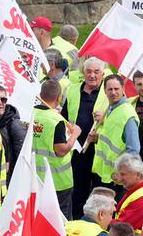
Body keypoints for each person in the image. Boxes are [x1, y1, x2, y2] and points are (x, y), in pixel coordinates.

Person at [65, 58, 108, 218]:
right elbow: (65, 116)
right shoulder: (72, 90)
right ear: (83, 73)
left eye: (96, 72)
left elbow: (119, 118)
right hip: (77, 149)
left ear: (103, 73)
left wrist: (104, 118)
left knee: (99, 194)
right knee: (78, 191)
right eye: (89, 71)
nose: (92, 75)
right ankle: (78, 223)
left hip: (99, 151)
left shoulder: (109, 91)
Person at [35, 79, 83, 218]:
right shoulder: (56, 120)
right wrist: (75, 134)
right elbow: (61, 150)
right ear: (59, 97)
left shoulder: (32, 115)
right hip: (58, 181)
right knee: (61, 221)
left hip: (36, 178)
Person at [90, 75, 139, 186]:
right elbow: (113, 138)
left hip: (117, 179)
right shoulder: (111, 109)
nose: (113, 92)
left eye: (116, 89)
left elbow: (133, 150)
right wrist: (97, 138)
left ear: (123, 89)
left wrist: (122, 174)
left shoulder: (127, 114)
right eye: (110, 89)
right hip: (105, 174)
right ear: (105, 91)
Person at [0, 84, 27, 183]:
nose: (0, 103)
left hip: (9, 182)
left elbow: (23, 158)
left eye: (3, 100)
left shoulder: (15, 125)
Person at [111, 154, 143, 230]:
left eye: (123, 174)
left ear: (138, 175)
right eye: (119, 174)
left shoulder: (141, 198)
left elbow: (121, 227)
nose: (119, 179)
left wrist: (99, 220)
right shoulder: (135, 191)